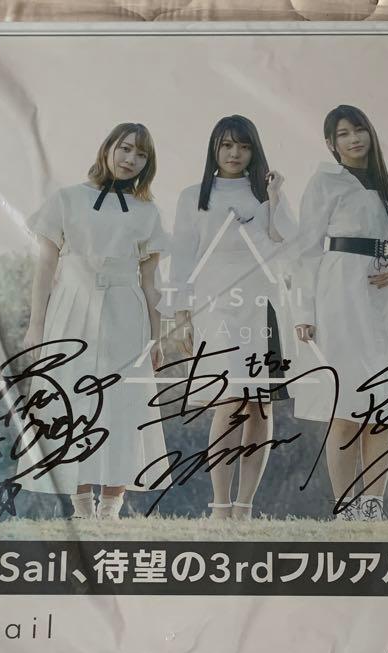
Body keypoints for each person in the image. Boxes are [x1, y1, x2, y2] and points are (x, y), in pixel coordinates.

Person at [22, 122, 168, 520]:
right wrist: (36, 325)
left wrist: (157, 338)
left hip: (126, 311)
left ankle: (111, 507)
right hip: (71, 307)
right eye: (125, 148)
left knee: (122, 403)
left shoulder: (147, 212)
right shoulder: (67, 199)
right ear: (107, 149)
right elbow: (45, 267)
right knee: (71, 397)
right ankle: (82, 506)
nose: (130, 159)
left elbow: (151, 282)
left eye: (141, 154)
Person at [164, 115, 296, 521]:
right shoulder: (194, 196)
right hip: (216, 307)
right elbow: (182, 257)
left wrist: (276, 197)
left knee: (260, 405)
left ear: (254, 150)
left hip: (265, 305)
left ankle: (245, 506)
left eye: (243, 145)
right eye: (226, 145)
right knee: (230, 399)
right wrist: (180, 313)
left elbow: (287, 240)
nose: (234, 153)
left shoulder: (265, 193)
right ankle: (220, 505)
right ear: (214, 149)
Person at [290, 104, 388, 522]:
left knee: (382, 406)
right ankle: (344, 507)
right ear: (331, 143)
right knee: (345, 406)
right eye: (343, 133)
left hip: (383, 299)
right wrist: (303, 311)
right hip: (339, 293)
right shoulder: (326, 182)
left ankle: (372, 506)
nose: (354, 139)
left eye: (359, 130)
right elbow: (305, 249)